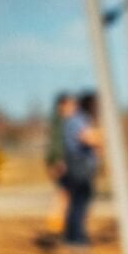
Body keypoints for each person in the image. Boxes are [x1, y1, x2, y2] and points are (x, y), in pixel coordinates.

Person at [61, 91, 101, 247]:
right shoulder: (79, 120)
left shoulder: (76, 120)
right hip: (80, 166)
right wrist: (101, 138)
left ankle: (72, 237)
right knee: (80, 202)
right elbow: (87, 138)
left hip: (79, 165)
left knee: (78, 202)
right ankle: (76, 238)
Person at [45, 93, 76, 236]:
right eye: (70, 104)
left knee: (65, 193)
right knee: (64, 193)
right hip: (61, 161)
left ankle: (60, 224)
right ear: (61, 106)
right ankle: (58, 225)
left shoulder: (62, 121)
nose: (73, 107)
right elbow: (56, 144)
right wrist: (58, 160)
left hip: (63, 160)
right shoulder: (60, 122)